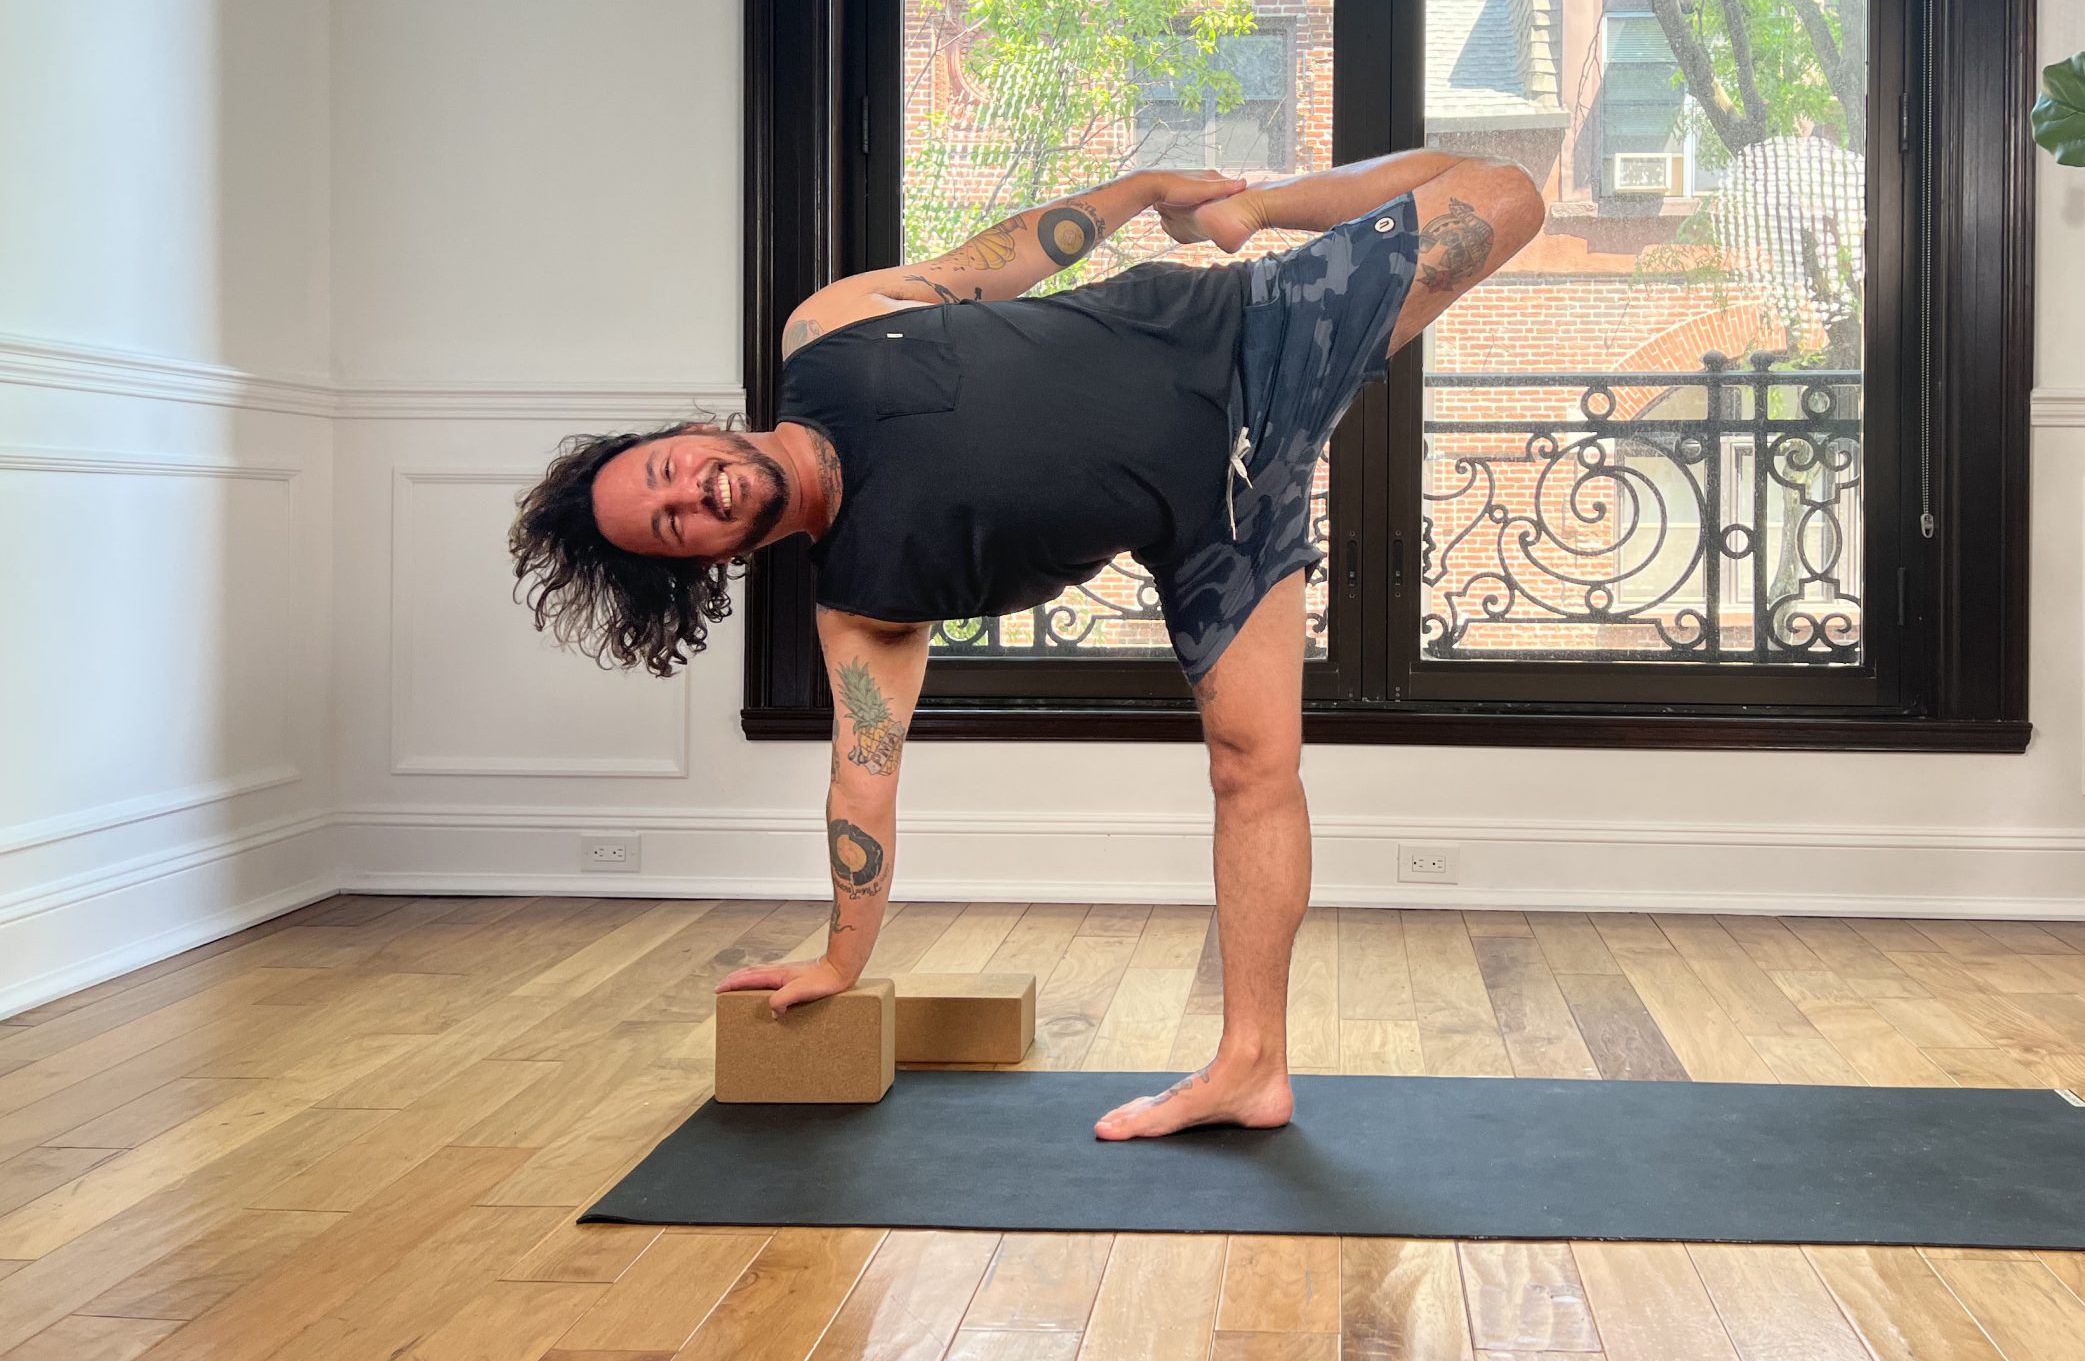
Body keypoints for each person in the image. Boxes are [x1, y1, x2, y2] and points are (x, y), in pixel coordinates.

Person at [509, 149, 1545, 1138]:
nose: (691, 495)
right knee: (1252, 764)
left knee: (1500, 196)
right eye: (673, 526)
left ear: (686, 436)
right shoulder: (864, 601)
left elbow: (989, 263)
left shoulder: (822, 334)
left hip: (1240, 330)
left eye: (664, 474)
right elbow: (861, 781)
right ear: (701, 562)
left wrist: (1144, 192)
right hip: (1222, 517)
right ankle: (1251, 1068)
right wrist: (838, 959)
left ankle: (1261, 209)